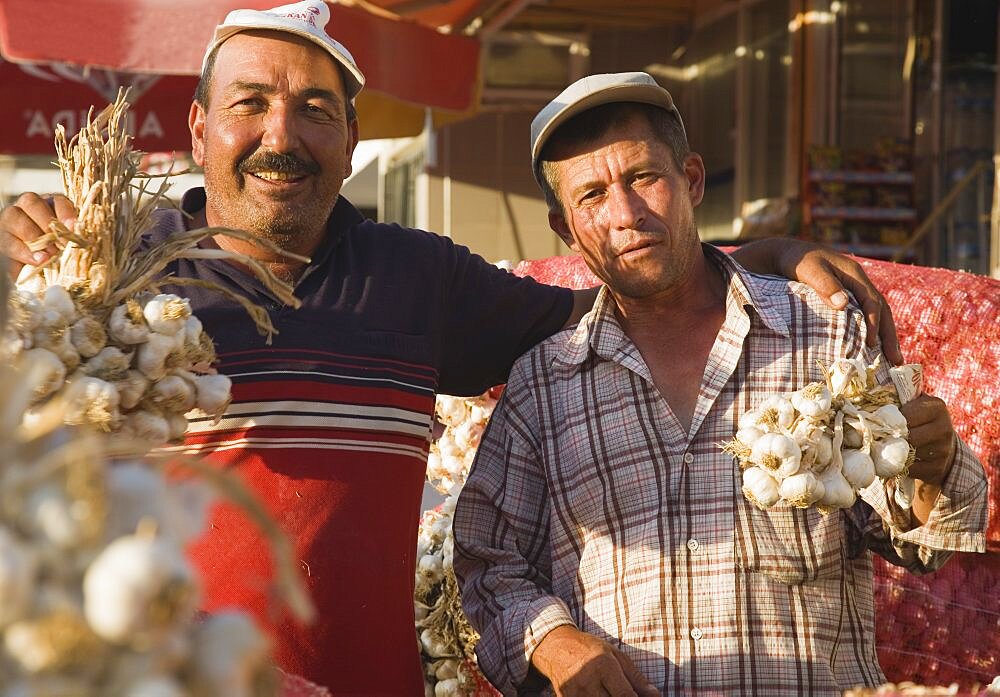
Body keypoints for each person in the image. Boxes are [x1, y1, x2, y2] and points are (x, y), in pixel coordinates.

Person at [0, 3, 901, 692]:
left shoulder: (416, 277)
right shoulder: (105, 277)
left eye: (316, 109)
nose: (283, 135)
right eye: (251, 104)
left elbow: (624, 307)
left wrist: (762, 258)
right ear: (200, 130)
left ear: (351, 140)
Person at [452, 72, 987, 697]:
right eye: (592, 196)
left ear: (693, 180)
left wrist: (935, 464)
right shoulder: (547, 382)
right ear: (566, 230)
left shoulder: (820, 334)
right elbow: (487, 562)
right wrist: (552, 641)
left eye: (645, 178)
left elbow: (919, 542)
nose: (626, 214)